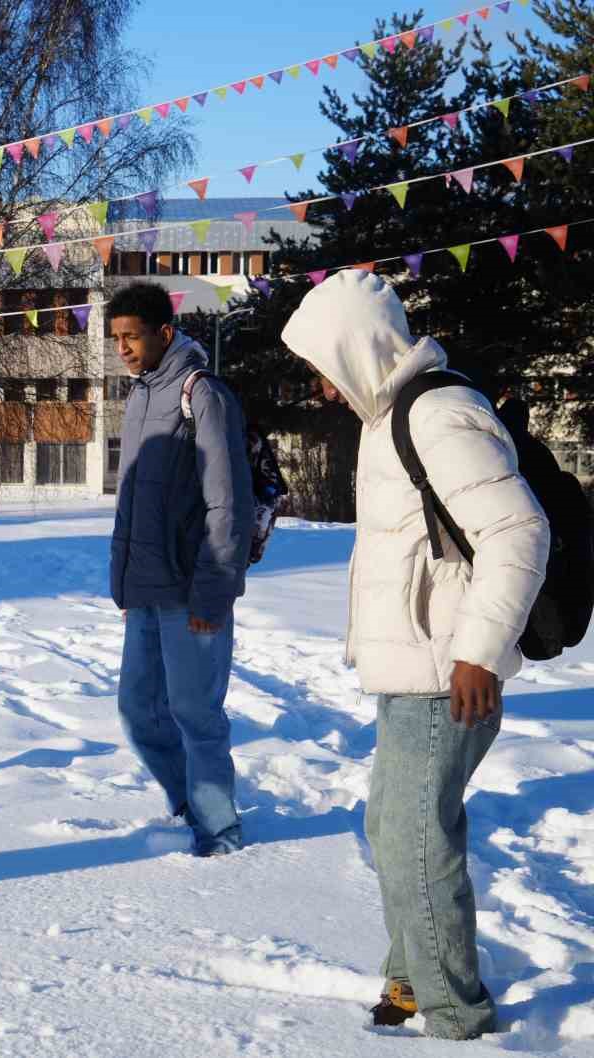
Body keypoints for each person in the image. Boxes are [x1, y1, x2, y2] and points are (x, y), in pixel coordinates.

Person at [281, 271, 547, 1039]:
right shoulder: (390, 416)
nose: (322, 386)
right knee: (393, 828)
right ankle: (411, 975)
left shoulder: (436, 413)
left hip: (449, 671)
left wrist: (479, 652)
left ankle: (454, 1012)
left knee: (414, 837)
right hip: (418, 665)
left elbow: (518, 530)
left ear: (356, 349)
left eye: (324, 366)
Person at [107, 281, 253, 857]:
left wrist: (213, 592)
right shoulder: (140, 397)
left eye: (132, 336)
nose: (122, 348)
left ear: (164, 333)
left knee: (196, 714)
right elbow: (130, 500)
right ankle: (193, 805)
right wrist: (123, 582)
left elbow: (228, 501)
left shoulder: (203, 394)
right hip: (145, 588)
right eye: (116, 338)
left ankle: (220, 834)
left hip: (193, 590)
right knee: (138, 711)